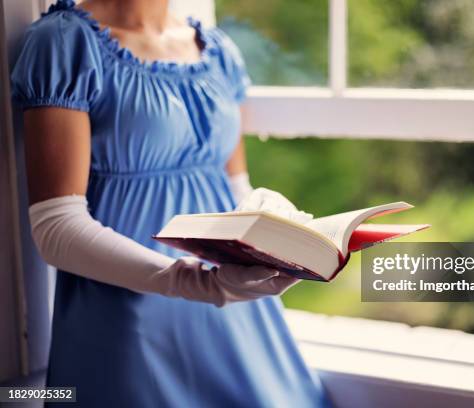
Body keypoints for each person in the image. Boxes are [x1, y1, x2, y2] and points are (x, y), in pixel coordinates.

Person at [11, 0, 330, 406]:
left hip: (234, 315)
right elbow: (55, 227)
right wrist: (192, 282)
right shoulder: (63, 43)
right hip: (131, 321)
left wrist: (278, 230)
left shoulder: (218, 51)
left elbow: (235, 187)